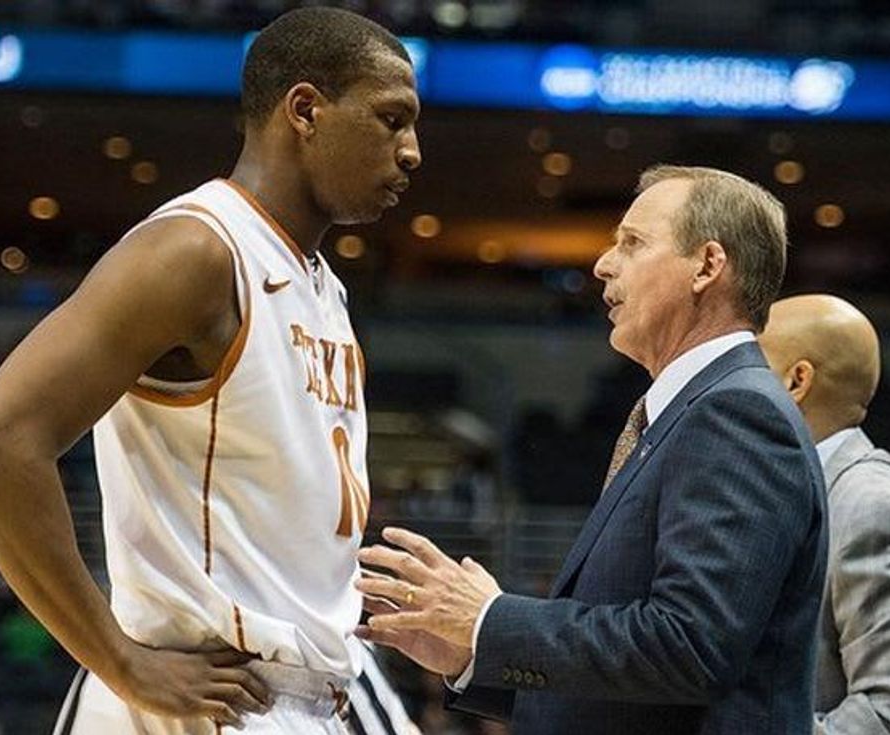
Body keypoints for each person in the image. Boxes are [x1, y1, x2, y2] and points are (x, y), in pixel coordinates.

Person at [0, 7, 421, 734]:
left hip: (303, 693)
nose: (413, 151)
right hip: (206, 693)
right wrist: (120, 659)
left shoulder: (321, 282)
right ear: (304, 110)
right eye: (392, 119)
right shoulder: (197, 252)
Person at [355, 165, 827, 734]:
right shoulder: (692, 410)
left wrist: (491, 620)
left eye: (632, 243)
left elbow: (690, 648)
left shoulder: (736, 413)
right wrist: (473, 656)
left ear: (707, 266)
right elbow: (635, 690)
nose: (604, 263)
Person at [759, 294, 890, 735]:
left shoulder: (870, 503)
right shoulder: (792, 486)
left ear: (797, 380)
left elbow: (883, 709)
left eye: (754, 365)